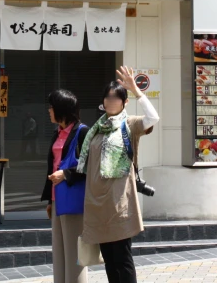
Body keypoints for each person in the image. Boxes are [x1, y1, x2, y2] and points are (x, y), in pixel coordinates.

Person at [77, 66, 160, 283]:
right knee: (109, 260)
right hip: (97, 203)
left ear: (124, 102)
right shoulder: (96, 128)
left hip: (119, 201)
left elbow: (153, 118)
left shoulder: (129, 124)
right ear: (103, 101)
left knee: (122, 257)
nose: (112, 100)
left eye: (117, 97)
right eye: (108, 96)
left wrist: (136, 90)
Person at [41, 89, 89, 283]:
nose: (49, 111)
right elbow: (51, 165)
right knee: (59, 251)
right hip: (57, 197)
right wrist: (50, 200)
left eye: (51, 107)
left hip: (73, 199)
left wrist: (66, 173)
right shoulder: (57, 133)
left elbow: (92, 164)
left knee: (74, 253)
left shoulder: (82, 132)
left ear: (61, 109)